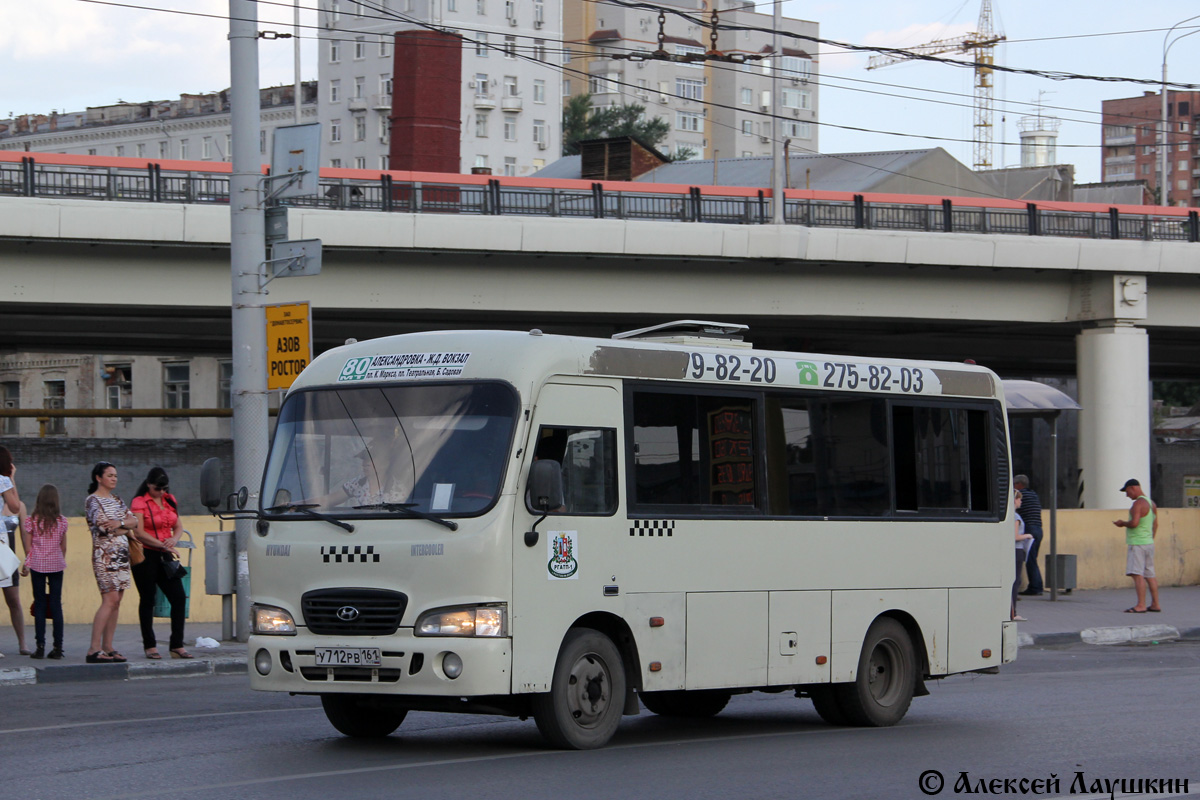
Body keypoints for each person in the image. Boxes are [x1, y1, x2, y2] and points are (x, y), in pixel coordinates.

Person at [129, 467, 191, 659]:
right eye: (158, 489)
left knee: (179, 597)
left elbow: (178, 525)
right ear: (149, 485)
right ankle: (150, 645)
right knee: (148, 599)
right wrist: (163, 545)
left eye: (164, 489)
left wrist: (173, 540)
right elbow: (138, 532)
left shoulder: (170, 500)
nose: (161, 492)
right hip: (146, 554)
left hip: (165, 555)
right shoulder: (139, 502)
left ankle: (176, 644)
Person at [84, 461, 138, 664]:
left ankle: (108, 646)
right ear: (99, 478)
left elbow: (135, 522)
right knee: (109, 599)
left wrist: (121, 524)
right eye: (110, 475)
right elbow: (105, 528)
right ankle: (93, 648)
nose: (114, 478)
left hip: (122, 556)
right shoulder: (93, 501)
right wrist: (122, 526)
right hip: (104, 555)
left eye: (115, 475)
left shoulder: (117, 500)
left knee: (117, 601)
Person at [20, 484, 68, 659]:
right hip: (56, 565)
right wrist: (57, 560)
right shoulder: (62, 521)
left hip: (38, 565)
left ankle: (40, 646)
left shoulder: (31, 520)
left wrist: (27, 563)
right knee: (56, 604)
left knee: (39, 604)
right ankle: (58, 648)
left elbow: (28, 548)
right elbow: (63, 547)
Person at [1112, 478, 1162, 614]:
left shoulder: (1138, 504)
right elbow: (1155, 524)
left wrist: (1122, 523)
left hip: (1137, 544)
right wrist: (1150, 539)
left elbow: (1134, 523)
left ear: (1133, 488)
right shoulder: (1151, 504)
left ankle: (1140, 605)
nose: (1127, 495)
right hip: (1148, 543)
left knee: (1137, 574)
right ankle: (1155, 604)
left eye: (1127, 491)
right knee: (1150, 574)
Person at [0, 445, 31, 657]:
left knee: (12, 597)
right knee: (13, 598)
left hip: (4, 543)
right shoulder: (3, 480)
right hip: (2, 543)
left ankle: (22, 643)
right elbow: (14, 506)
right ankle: (22, 643)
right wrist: (12, 479)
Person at [1014, 474, 1044, 596]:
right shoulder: (1033, 494)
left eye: (1015, 484)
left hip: (1029, 529)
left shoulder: (1021, 496)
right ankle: (1037, 585)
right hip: (1038, 529)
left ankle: (1035, 587)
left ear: (1019, 484)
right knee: (1032, 559)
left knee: (1030, 560)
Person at [1011, 490, 1034, 622]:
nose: (1021, 501)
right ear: (1014, 500)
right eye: (1019, 499)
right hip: (1017, 550)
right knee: (1016, 581)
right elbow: (1015, 536)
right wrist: (1027, 536)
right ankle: (1013, 613)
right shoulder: (1016, 517)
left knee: (1015, 581)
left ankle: (1012, 611)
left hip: (1013, 551)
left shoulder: (1011, 516)